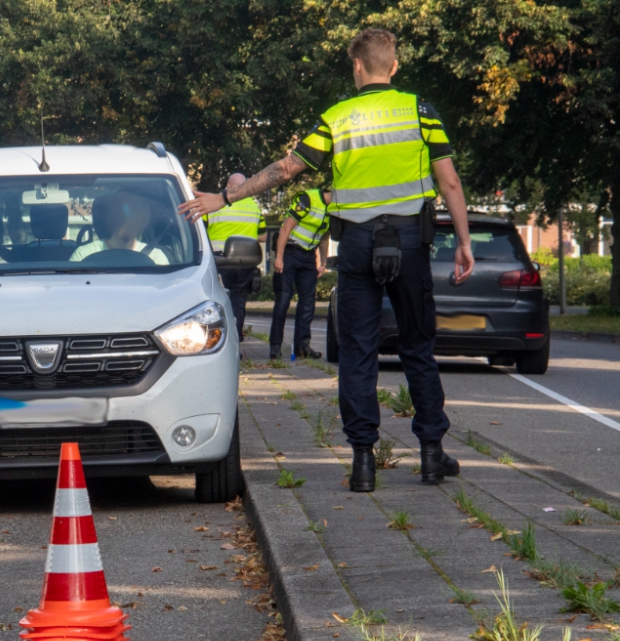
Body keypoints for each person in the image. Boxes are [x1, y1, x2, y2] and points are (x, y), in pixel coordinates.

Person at [179, 28, 475, 493]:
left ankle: (362, 462)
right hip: (411, 244)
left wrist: (227, 195)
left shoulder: (337, 118)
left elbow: (286, 169)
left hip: (356, 247)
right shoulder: (420, 111)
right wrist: (463, 241)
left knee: (357, 353)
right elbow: (450, 182)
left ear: (357, 66)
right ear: (393, 67)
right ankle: (432, 454)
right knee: (418, 347)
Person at [202, 173, 267, 342]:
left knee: (216, 301)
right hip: (245, 262)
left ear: (228, 186)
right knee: (239, 301)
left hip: (220, 260)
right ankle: (235, 340)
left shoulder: (216, 203)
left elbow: (201, 229)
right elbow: (263, 236)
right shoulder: (255, 207)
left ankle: (216, 342)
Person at [270, 188, 331, 360]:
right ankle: (275, 346)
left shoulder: (334, 209)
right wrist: (279, 258)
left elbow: (324, 236)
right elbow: (285, 229)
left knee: (308, 303)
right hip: (290, 252)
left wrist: (323, 262)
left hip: (308, 257)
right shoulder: (308, 198)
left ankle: (302, 347)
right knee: (283, 300)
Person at [70, 191, 169, 265]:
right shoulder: (83, 255)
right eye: (121, 212)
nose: (127, 218)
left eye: (134, 213)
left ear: (144, 221)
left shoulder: (156, 258)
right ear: (109, 218)